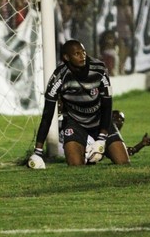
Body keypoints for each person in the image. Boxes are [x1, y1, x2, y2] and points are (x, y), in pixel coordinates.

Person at [28, 39, 130, 167]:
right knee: (75, 165)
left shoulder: (99, 69)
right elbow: (47, 115)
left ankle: (95, 152)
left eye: (83, 52)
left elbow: (107, 105)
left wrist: (102, 138)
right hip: (75, 123)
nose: (82, 56)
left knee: (123, 162)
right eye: (77, 54)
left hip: (99, 120)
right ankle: (87, 156)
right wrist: (38, 151)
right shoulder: (59, 77)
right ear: (66, 57)